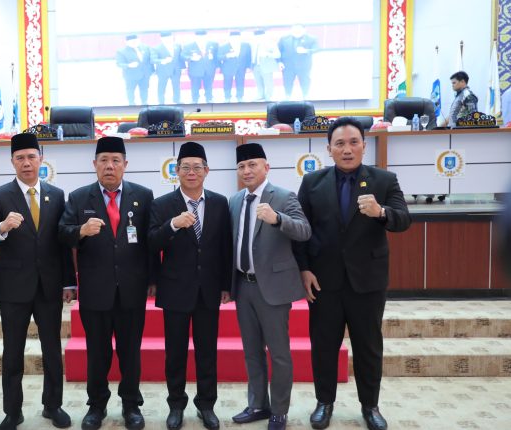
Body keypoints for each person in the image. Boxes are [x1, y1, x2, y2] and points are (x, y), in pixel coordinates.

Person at [293, 117, 411, 430]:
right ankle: (324, 402)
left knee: (368, 347)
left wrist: (381, 212)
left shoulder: (384, 180)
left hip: (367, 281)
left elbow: (403, 219)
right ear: (329, 149)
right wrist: (304, 269)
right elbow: (301, 231)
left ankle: (370, 406)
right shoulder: (312, 182)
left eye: (353, 142)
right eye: (340, 144)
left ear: (363, 145)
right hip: (323, 281)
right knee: (323, 346)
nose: (347, 149)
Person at [0, 133, 74, 430]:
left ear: (41, 159)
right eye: (20, 158)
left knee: (52, 350)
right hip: (14, 287)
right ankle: (13, 411)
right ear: (12, 162)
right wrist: (2, 227)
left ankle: (53, 405)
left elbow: (62, 242)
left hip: (49, 286)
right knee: (13, 352)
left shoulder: (56, 194)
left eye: (31, 156)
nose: (26, 163)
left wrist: (69, 282)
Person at [59, 136, 156, 430]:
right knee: (97, 353)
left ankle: (131, 405)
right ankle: (96, 406)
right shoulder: (79, 197)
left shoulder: (143, 195)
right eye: (104, 160)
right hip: (95, 290)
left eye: (115, 161)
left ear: (125, 164)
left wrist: (152, 279)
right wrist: (80, 230)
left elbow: (151, 241)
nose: (109, 166)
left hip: (131, 289)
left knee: (130, 352)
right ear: (95, 164)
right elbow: (62, 234)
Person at [148, 142, 232, 430]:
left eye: (197, 167)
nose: (191, 172)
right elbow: (151, 243)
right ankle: (176, 405)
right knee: (175, 353)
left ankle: (206, 405)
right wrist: (173, 225)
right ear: (176, 171)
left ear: (207, 171)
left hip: (208, 290)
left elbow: (225, 247)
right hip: (175, 290)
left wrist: (226, 285)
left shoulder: (220, 202)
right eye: (186, 167)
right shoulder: (162, 204)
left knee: (207, 352)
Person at [229, 143, 311, 430]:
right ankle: (257, 405)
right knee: (251, 352)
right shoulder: (235, 200)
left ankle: (279, 411)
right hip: (243, 286)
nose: (247, 170)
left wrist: (277, 219)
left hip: (273, 288)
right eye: (241, 166)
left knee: (279, 353)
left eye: (252, 164)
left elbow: (304, 231)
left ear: (266, 167)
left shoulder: (285, 197)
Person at [277, 25, 318, 100]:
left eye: (299, 29)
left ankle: (305, 96)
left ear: (304, 30)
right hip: (287, 66)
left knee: (305, 81)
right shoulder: (284, 39)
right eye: (295, 29)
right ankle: (287, 96)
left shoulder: (311, 38)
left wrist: (306, 51)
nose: (296, 31)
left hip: (304, 66)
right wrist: (279, 62)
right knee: (287, 82)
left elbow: (316, 49)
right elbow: (278, 51)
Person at [182, 30, 219, 104]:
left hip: (209, 69)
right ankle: (194, 99)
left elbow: (218, 55)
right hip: (195, 70)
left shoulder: (214, 44)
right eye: (199, 37)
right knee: (195, 86)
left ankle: (209, 98)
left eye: (203, 37)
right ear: (196, 37)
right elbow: (183, 55)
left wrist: (215, 61)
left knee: (209, 85)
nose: (201, 38)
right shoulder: (189, 45)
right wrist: (191, 58)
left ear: (206, 36)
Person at [116, 34, 153, 106]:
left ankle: (144, 103)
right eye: (132, 42)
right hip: (131, 76)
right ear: (126, 42)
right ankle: (132, 105)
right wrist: (129, 65)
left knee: (144, 89)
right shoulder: (121, 51)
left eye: (135, 41)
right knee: (130, 91)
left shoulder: (145, 47)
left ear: (138, 40)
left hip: (145, 74)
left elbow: (149, 60)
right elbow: (119, 64)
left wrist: (152, 71)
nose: (134, 43)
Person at [151, 32, 184, 105]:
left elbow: (180, 57)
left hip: (176, 70)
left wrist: (183, 67)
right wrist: (163, 61)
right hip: (163, 71)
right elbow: (153, 60)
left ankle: (177, 100)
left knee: (176, 86)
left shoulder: (177, 45)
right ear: (161, 39)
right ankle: (161, 102)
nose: (168, 39)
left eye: (169, 38)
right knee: (162, 87)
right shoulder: (156, 48)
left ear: (172, 37)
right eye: (165, 38)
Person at [218, 31, 252, 102]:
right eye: (233, 38)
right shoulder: (224, 46)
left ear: (240, 37)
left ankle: (240, 97)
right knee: (227, 82)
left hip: (241, 67)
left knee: (240, 82)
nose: (235, 39)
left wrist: (248, 67)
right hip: (228, 68)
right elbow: (218, 57)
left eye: (237, 37)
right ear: (230, 38)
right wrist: (227, 56)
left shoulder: (246, 45)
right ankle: (227, 97)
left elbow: (249, 56)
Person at [251, 30, 280, 101]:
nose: (258, 38)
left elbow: (278, 54)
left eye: (260, 37)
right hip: (255, 66)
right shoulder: (253, 44)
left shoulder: (271, 43)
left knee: (268, 82)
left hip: (266, 66)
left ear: (264, 36)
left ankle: (269, 96)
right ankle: (260, 95)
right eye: (256, 37)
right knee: (258, 82)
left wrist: (267, 54)